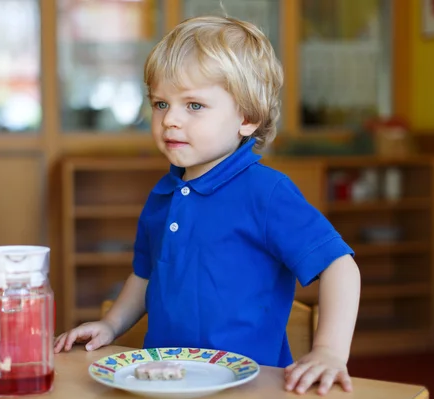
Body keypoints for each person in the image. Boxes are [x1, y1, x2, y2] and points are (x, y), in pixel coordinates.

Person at [54, 15, 361, 396]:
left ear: (247, 118)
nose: (171, 120)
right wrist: (111, 325)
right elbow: (145, 276)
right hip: (165, 380)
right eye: (161, 103)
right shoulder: (162, 195)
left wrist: (329, 351)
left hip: (253, 384)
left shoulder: (267, 193)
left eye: (194, 105)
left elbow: (340, 267)